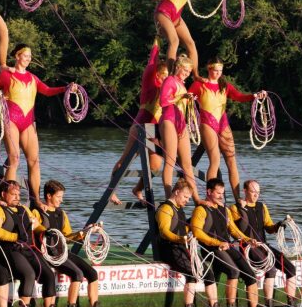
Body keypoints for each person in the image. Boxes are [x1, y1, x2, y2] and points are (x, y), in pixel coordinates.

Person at [0, 45, 72, 206]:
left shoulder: (32, 78)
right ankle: (9, 198)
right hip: (11, 120)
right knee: (14, 159)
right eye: (26, 56)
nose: (29, 59)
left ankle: (35, 200)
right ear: (17, 56)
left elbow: (47, 90)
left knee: (34, 161)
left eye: (30, 56)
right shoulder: (6, 75)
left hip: (28, 122)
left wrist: (65, 88)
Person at [189, 58, 267, 203]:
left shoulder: (225, 86)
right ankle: (211, 198)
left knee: (232, 161)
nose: (218, 73)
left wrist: (254, 96)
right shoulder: (199, 84)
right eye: (215, 70)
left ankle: (238, 199)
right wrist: (188, 97)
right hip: (207, 123)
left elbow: (239, 97)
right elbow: (185, 97)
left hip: (223, 123)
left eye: (220, 71)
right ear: (209, 69)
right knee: (215, 160)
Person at [0, 180, 56, 307]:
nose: (17, 197)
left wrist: (45, 231)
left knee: (48, 274)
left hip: (27, 249)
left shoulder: (24, 209)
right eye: (13, 194)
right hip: (8, 250)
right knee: (28, 274)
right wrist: (15, 237)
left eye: (19, 194)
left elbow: (36, 225)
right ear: (3, 194)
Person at [38, 180, 109, 307]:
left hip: (63, 252)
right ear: (49, 196)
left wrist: (85, 232)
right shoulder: (38, 212)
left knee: (92, 273)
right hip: (49, 255)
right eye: (59, 197)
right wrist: (44, 231)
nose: (61, 200)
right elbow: (34, 229)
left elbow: (68, 237)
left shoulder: (61, 213)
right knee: (77, 274)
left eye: (62, 197)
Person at [190, 178, 260, 307]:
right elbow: (197, 233)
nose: (221, 196)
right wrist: (217, 242)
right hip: (211, 248)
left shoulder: (225, 210)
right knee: (234, 271)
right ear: (209, 192)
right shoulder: (200, 210)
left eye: (222, 193)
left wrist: (248, 239)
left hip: (226, 246)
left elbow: (233, 230)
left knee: (251, 275)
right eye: (218, 193)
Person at [110, 39, 168, 205]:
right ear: (158, 75)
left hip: (155, 130)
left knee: (155, 166)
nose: (167, 78)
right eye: (164, 75)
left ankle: (138, 189)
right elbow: (151, 63)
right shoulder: (151, 82)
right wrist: (157, 41)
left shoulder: (168, 88)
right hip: (141, 126)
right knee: (126, 160)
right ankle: (111, 191)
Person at [230, 180, 299, 307]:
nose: (256, 195)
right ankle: (269, 305)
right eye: (253, 192)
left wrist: (280, 225)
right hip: (248, 247)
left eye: (258, 192)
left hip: (263, 246)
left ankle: (291, 303)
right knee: (270, 269)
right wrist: (242, 209)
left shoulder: (262, 207)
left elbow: (269, 227)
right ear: (245, 191)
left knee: (290, 268)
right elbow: (234, 230)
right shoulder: (235, 208)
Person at [154, 178, 199, 307]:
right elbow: (164, 232)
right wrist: (180, 239)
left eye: (189, 198)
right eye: (185, 197)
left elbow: (181, 229)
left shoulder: (179, 209)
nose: (187, 201)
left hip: (180, 247)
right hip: (168, 248)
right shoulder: (165, 209)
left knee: (199, 271)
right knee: (191, 273)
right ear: (177, 192)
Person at [159, 54, 200, 204]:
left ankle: (196, 199)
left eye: (189, 72)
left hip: (181, 123)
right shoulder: (169, 80)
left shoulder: (181, 84)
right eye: (185, 70)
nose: (187, 74)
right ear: (178, 67)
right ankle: (169, 198)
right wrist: (181, 97)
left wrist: (189, 99)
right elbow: (163, 102)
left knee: (187, 165)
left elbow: (181, 102)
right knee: (170, 161)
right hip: (169, 120)